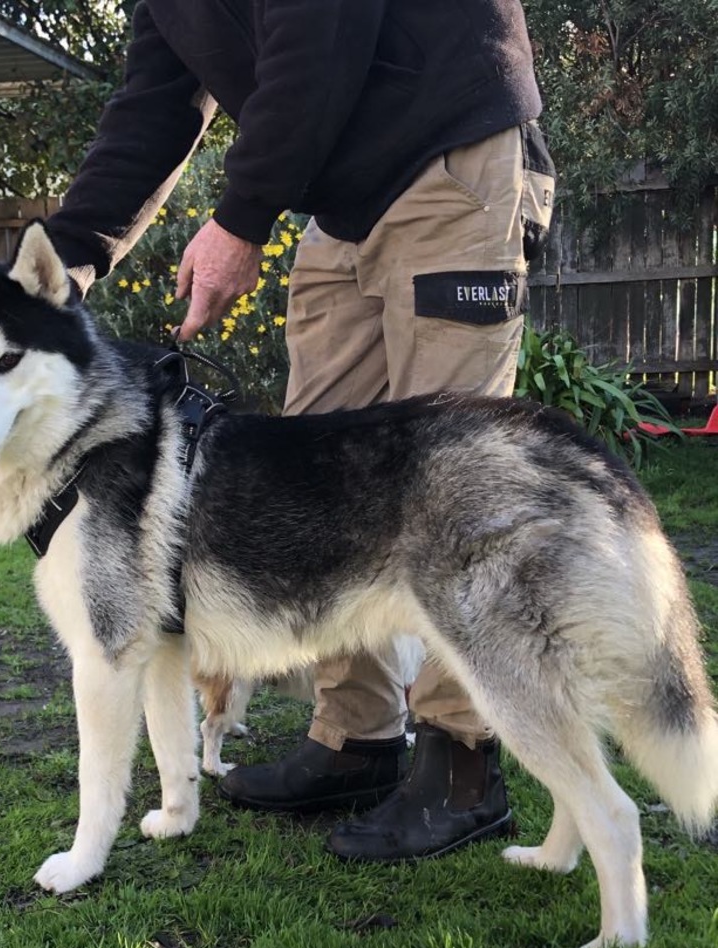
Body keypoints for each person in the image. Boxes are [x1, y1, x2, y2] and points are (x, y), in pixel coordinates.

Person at [46, 0, 556, 863]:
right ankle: (355, 738)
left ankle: (462, 764)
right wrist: (62, 264)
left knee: (451, 480)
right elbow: (153, 107)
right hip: (342, 193)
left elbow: (321, 29)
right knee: (317, 473)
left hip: (449, 149)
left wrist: (242, 218)